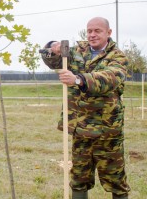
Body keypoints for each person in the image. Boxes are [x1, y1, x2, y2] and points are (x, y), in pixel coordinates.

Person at [41, 17, 130, 199]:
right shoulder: (76, 52)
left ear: (108, 33)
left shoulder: (118, 57)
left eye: (97, 31)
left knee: (116, 182)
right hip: (80, 128)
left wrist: (78, 79)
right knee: (79, 180)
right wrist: (53, 47)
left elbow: (109, 79)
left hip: (107, 131)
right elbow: (51, 59)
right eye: (89, 31)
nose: (92, 35)